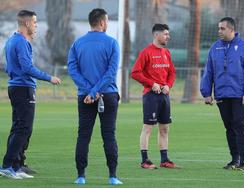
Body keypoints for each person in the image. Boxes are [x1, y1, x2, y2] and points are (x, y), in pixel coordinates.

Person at [0, 10, 61, 179]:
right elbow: (27, 68)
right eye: (34, 22)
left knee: (18, 127)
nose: (36, 25)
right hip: (23, 88)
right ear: (27, 23)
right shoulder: (21, 42)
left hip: (15, 87)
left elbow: (9, 67)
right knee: (23, 128)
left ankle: (16, 165)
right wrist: (49, 78)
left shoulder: (12, 40)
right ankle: (7, 165)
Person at [68, 8, 122, 185]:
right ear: (102, 22)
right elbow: (111, 72)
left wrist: (89, 91)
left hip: (85, 97)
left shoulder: (77, 43)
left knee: (83, 135)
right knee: (109, 135)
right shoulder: (112, 43)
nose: (107, 24)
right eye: (106, 21)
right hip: (107, 94)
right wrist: (96, 91)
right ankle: (113, 176)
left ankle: (80, 176)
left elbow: (72, 70)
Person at [200, 17, 244, 171]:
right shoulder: (215, 48)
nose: (219, 31)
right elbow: (209, 71)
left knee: (240, 125)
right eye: (219, 28)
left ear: (232, 29)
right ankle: (234, 160)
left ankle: (243, 162)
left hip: (239, 95)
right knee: (229, 128)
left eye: (222, 28)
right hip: (221, 95)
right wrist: (206, 92)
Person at [131, 24, 176, 169]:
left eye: (168, 34)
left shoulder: (166, 52)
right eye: (165, 34)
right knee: (148, 128)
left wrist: (168, 85)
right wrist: (152, 84)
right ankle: (144, 160)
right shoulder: (146, 52)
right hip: (151, 96)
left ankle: (164, 160)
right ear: (156, 35)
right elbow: (135, 72)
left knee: (164, 129)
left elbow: (172, 73)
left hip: (164, 96)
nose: (168, 36)